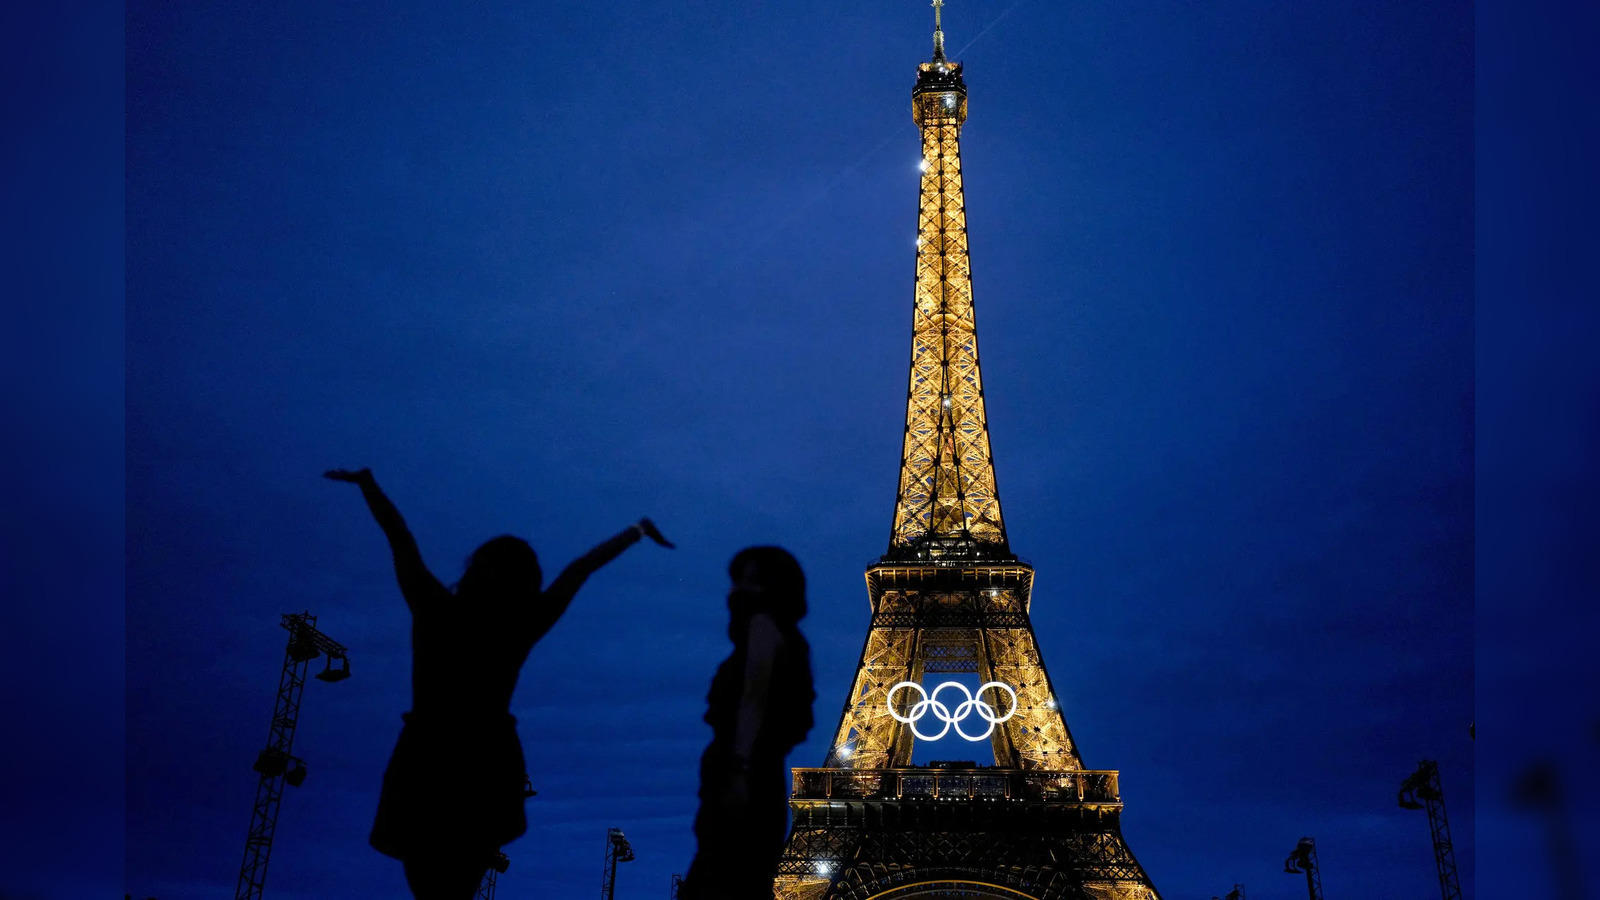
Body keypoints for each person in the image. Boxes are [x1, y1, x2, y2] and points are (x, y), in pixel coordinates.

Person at [325, 467, 672, 900]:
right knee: (457, 879)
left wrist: (368, 485)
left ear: (477, 569)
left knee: (431, 876)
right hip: (483, 756)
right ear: (527, 580)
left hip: (430, 751)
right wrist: (635, 531)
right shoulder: (519, 622)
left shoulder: (437, 607)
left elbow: (400, 538)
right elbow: (580, 569)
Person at [681, 546, 816, 900]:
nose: (736, 591)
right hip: (762, 773)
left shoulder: (762, 626)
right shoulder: (792, 640)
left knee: (717, 878)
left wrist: (739, 768)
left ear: (773, 587)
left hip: (743, 772)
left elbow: (752, 698)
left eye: (750, 581)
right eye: (737, 581)